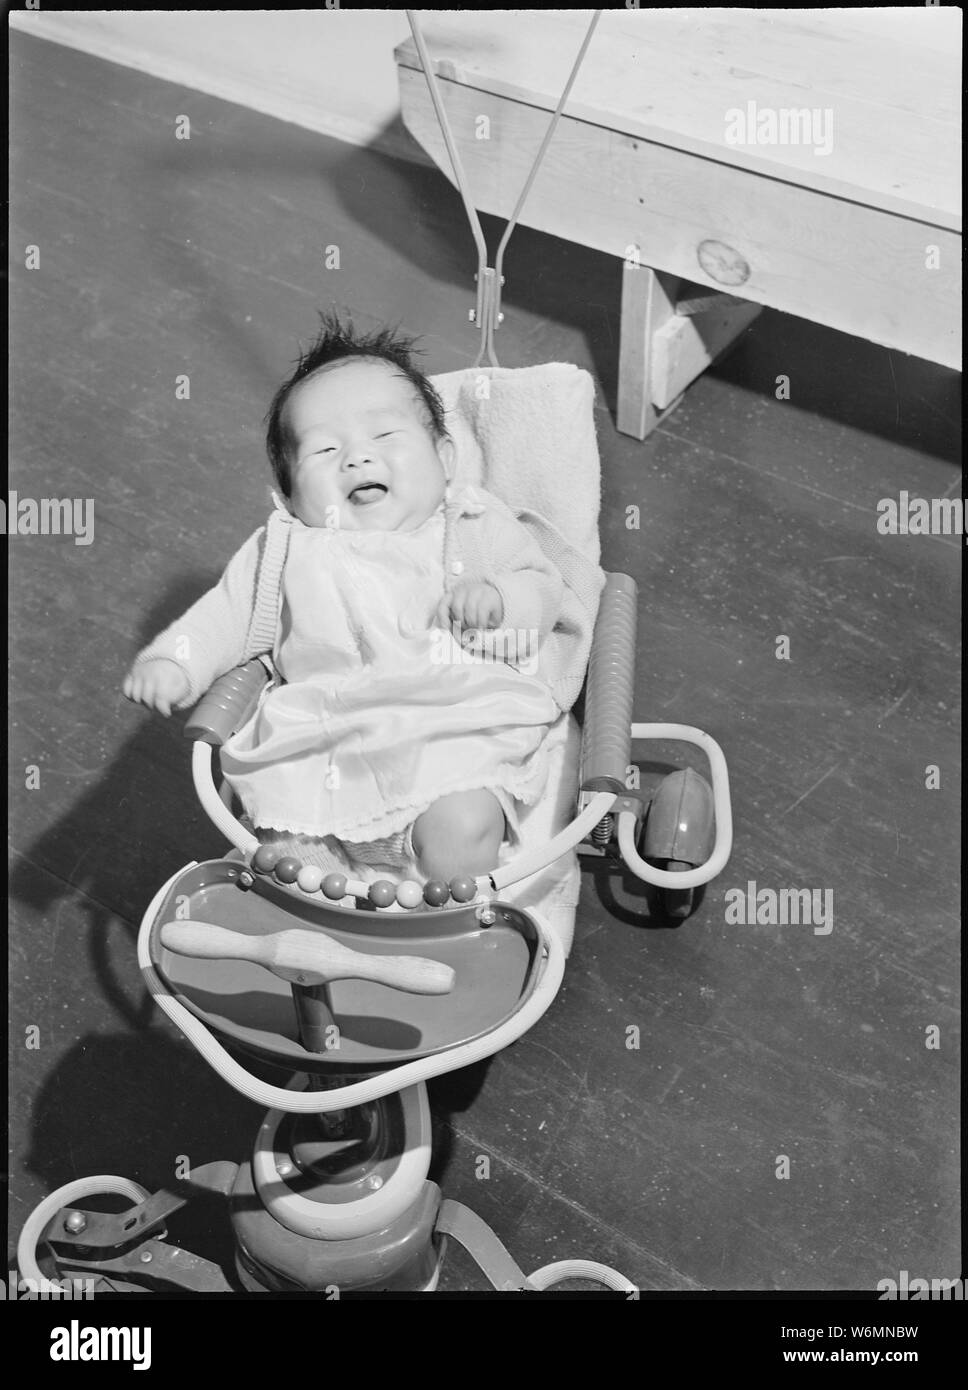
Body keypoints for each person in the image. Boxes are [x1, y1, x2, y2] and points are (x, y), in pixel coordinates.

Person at [123, 312, 583, 889]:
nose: (357, 458)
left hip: (450, 736)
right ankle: (321, 925)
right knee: (282, 845)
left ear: (444, 459)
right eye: (323, 451)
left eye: (386, 437)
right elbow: (225, 614)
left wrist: (499, 600)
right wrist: (174, 662)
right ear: (287, 494)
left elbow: (540, 587)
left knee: (463, 824)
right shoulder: (285, 550)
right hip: (322, 750)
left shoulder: (469, 522)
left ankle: (448, 923)